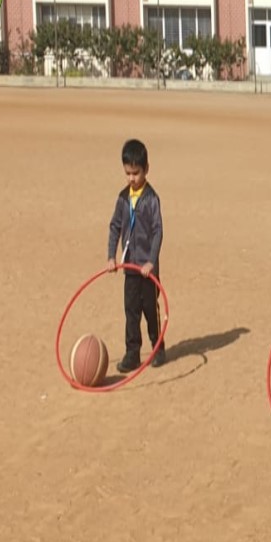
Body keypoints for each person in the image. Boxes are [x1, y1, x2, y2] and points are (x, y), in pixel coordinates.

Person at [106, 138, 167, 373]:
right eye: (128, 173)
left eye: (136, 173)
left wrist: (151, 261)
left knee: (150, 309)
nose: (132, 178)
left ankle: (158, 348)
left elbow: (158, 231)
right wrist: (111, 256)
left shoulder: (151, 199)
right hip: (130, 266)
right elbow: (114, 227)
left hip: (147, 269)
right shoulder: (123, 198)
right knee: (131, 310)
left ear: (146, 169)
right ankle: (132, 353)